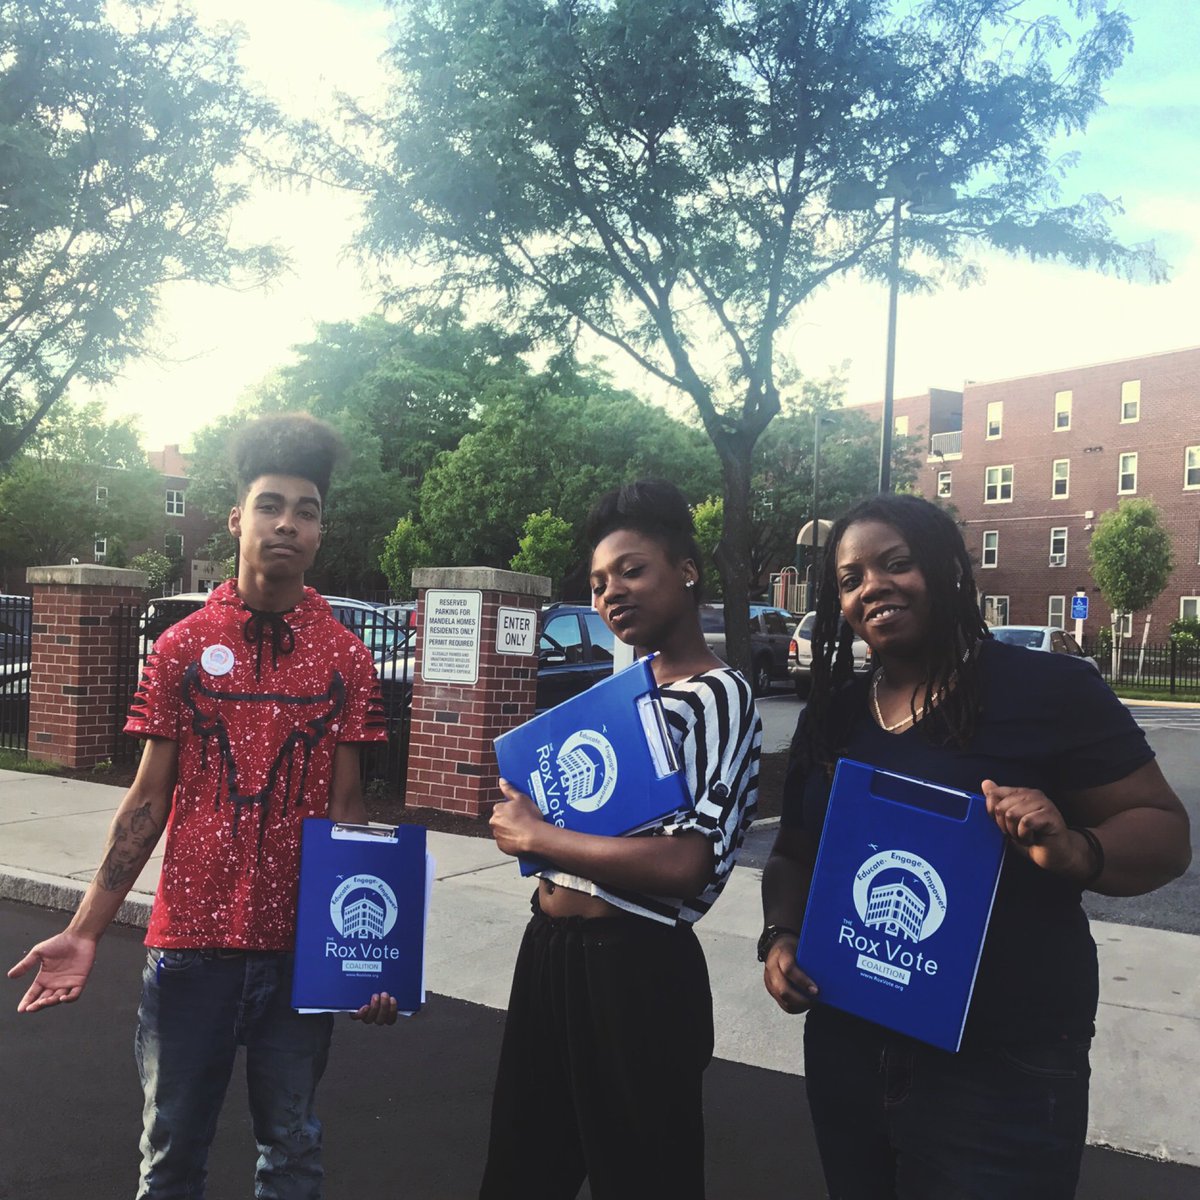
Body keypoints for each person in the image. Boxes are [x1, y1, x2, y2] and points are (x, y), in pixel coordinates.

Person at [8, 413, 397, 1199]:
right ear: (236, 518)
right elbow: (148, 800)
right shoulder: (182, 645)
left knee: (292, 1153)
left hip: (297, 952)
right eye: (270, 505)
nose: (287, 523)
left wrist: (362, 955)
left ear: (320, 531)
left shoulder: (347, 658)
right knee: (171, 1156)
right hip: (190, 947)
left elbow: (348, 807)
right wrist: (84, 930)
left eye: (307, 511)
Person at [760, 493, 1190, 1200]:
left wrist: (1075, 848)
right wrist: (780, 937)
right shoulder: (835, 713)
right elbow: (792, 853)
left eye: (897, 563)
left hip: (999, 1065)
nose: (873, 586)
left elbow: (1164, 831)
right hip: (850, 1043)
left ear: (949, 569)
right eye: (851, 578)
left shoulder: (1048, 689)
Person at [479, 480, 762, 1200]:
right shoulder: (623, 695)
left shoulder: (719, 693)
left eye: (632, 571)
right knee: (520, 1170)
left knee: (643, 1177)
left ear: (687, 571)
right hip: (549, 951)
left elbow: (688, 862)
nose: (611, 593)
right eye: (599, 583)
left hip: (635, 969)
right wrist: (530, 814)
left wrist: (540, 836)